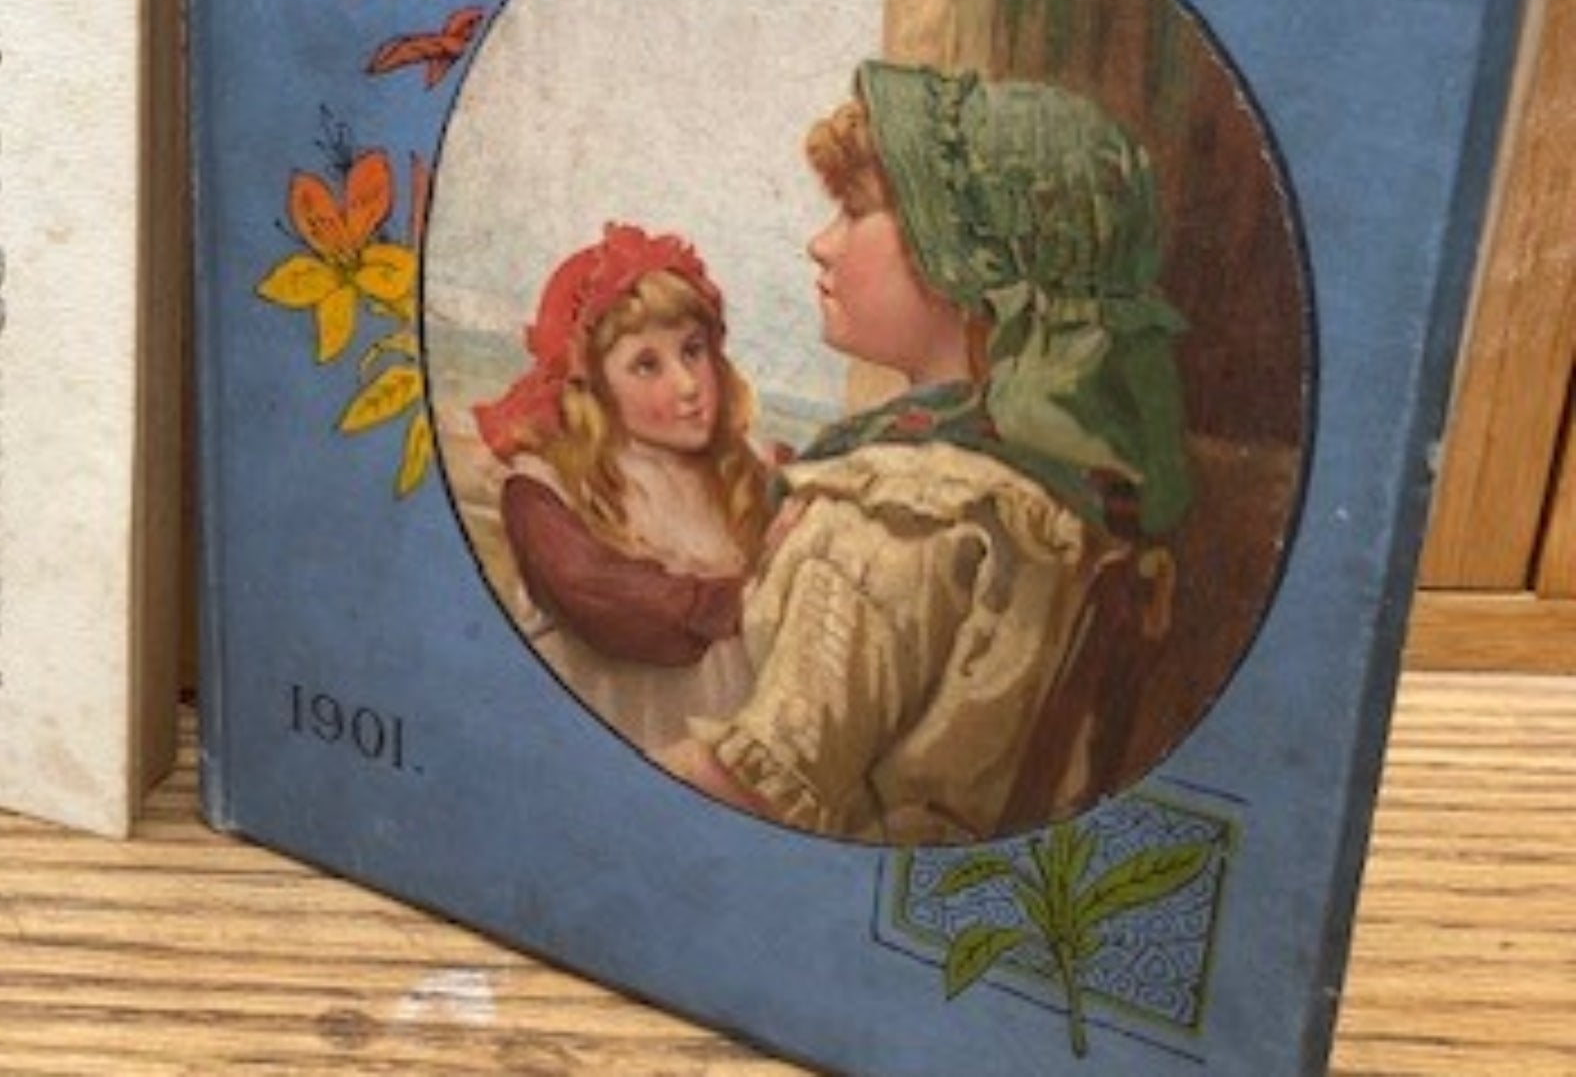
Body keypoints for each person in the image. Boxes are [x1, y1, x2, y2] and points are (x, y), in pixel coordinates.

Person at [666, 61, 1193, 843]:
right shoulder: (1052, 482)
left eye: (852, 210)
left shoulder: (897, 518)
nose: (820, 243)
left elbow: (754, 791)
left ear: (963, 259)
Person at [473, 225, 772, 753]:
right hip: (605, 751)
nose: (686, 385)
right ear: (593, 383)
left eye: (693, 351)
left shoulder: (744, 474)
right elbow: (607, 602)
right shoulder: (543, 487)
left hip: (715, 756)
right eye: (646, 364)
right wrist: (751, 597)